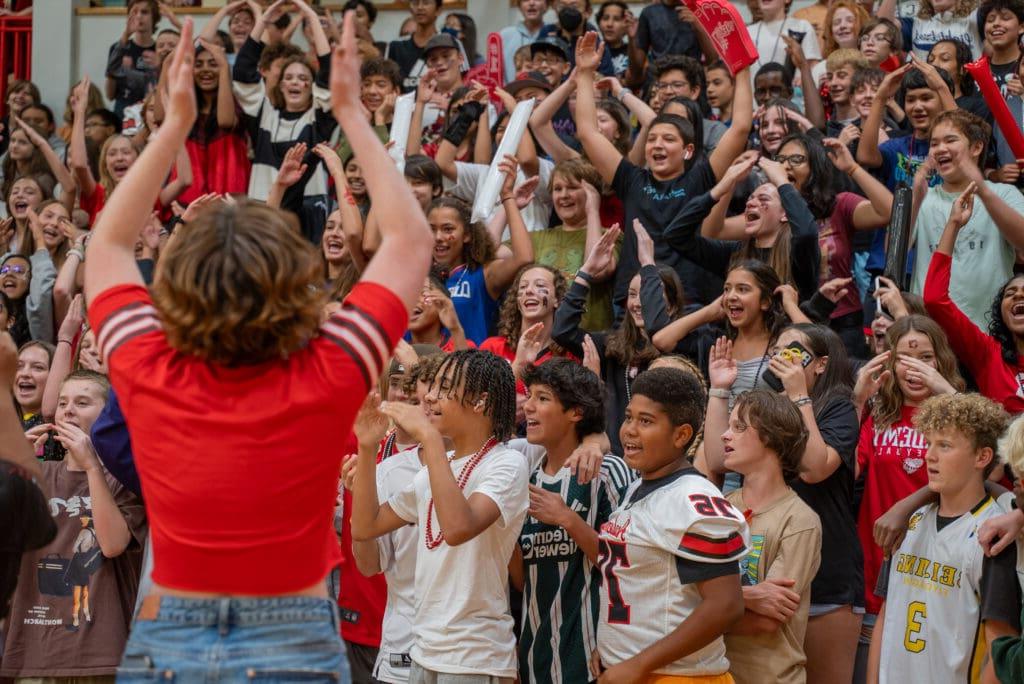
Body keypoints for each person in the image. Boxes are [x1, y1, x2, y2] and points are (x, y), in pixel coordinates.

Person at [83, 14, 433, 679]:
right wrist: (352, 115)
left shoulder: (144, 363)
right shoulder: (333, 366)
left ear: (180, 282)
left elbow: (106, 243)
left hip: (169, 635)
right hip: (293, 634)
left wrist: (173, 125)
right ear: (293, 276)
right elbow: (409, 242)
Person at [350, 349, 529, 681]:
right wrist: (367, 448)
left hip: (475, 657)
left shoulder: (507, 463)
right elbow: (365, 526)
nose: (429, 397)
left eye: (444, 386)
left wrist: (429, 437)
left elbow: (458, 528)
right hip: (424, 650)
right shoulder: (434, 470)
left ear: (480, 401)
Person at [574, 30, 753, 307]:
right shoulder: (631, 179)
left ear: (688, 150)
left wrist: (741, 69)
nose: (657, 145)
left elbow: (740, 128)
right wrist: (585, 74)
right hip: (632, 301)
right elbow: (587, 132)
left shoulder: (700, 177)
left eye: (668, 139)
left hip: (685, 301)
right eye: (652, 139)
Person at [593, 366, 748, 681]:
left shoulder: (693, 500)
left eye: (646, 421)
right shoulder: (639, 485)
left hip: (678, 677)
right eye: (629, 417)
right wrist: (615, 648)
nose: (630, 430)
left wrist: (637, 664)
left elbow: (726, 605)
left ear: (681, 435)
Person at [0, 370, 147, 679]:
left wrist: (92, 465)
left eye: (82, 402)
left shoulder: (125, 479)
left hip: (103, 652)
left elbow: (112, 545)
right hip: (32, 648)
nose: (68, 410)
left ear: (108, 418)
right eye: (64, 402)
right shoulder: (35, 474)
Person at [867, 393, 1020, 683]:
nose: (929, 455)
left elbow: (1001, 647)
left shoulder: (993, 534)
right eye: (928, 444)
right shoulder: (910, 521)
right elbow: (886, 617)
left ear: (982, 457)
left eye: (945, 446)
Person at [511, 358, 633, 683]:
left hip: (592, 658)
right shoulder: (528, 477)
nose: (530, 407)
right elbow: (525, 581)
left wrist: (567, 519)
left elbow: (626, 566)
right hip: (534, 659)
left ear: (576, 413)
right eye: (529, 395)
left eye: (543, 398)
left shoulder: (607, 470)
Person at [853, 315, 964, 635]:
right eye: (904, 359)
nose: (915, 368)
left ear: (941, 361)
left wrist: (945, 392)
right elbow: (845, 472)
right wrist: (857, 400)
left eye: (926, 358)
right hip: (876, 560)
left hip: (936, 563)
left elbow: (988, 460)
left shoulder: (953, 416)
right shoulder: (878, 416)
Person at [721, 390, 822, 684]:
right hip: (716, 674)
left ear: (772, 437)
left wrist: (704, 614)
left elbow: (766, 619)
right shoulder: (721, 506)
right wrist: (747, 596)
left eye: (739, 427)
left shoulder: (800, 520)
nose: (726, 435)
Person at [232, 0, 336, 243]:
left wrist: (310, 15)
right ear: (280, 84)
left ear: (312, 86)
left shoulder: (318, 118)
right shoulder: (264, 114)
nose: (295, 82)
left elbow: (329, 70)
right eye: (289, 77)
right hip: (264, 209)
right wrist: (263, 21)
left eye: (303, 77)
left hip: (309, 211)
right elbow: (243, 72)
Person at [910, 111, 1024, 330]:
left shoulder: (1004, 193)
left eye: (950, 140)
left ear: (976, 147)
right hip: (932, 335)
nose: (940, 148)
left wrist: (981, 189)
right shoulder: (923, 196)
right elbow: (893, 252)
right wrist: (915, 198)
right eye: (934, 144)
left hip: (989, 333)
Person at [105, 0, 159, 118]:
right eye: (134, 12)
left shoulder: (160, 50)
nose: (139, 16)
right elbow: (110, 95)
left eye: (144, 12)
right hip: (123, 113)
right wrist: (125, 35)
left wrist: (159, 67)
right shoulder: (118, 47)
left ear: (154, 17)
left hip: (151, 114)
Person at [387, 0, 442, 90]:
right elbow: (388, 82)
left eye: (426, 2)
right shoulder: (396, 45)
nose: (420, 7)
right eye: (415, 3)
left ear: (438, 10)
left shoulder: (449, 44)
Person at [499, 0, 549, 83]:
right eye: (525, 0)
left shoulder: (553, 33)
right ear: (519, 5)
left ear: (546, 5)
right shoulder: (504, 35)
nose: (531, 3)